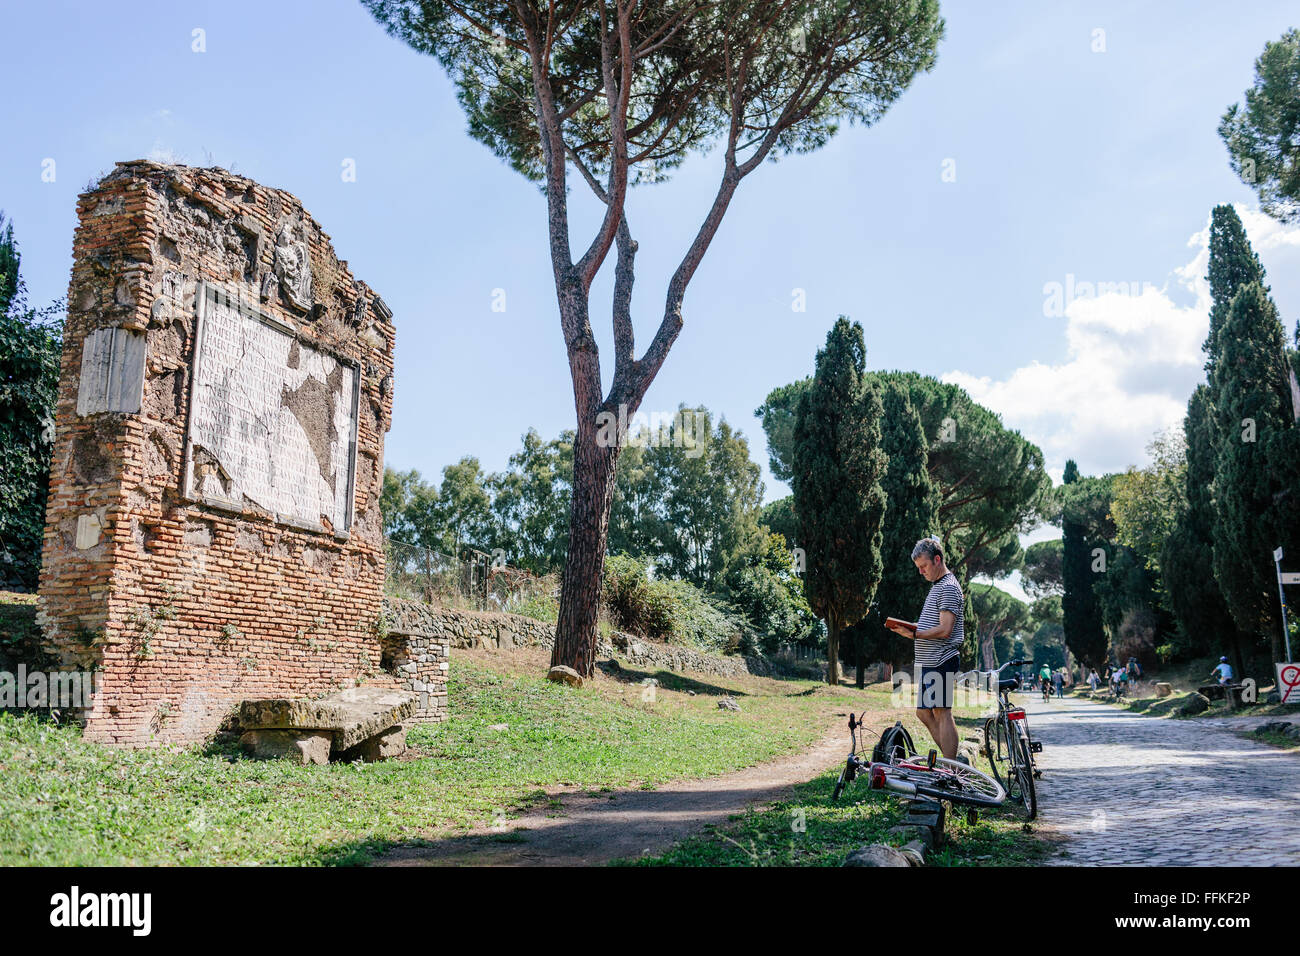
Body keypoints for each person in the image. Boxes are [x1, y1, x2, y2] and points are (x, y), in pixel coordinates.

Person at [887, 537, 964, 760]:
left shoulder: (948, 587)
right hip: (931, 661)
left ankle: (953, 768)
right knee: (923, 712)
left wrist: (915, 633)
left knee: (942, 712)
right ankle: (954, 764)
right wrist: (911, 628)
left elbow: (945, 629)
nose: (921, 572)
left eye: (924, 566)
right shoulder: (938, 586)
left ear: (937, 559)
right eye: (918, 568)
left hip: (942, 658)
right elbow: (935, 625)